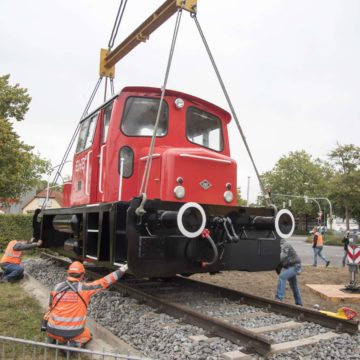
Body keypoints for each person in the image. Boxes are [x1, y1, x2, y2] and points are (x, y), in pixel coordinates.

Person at [44, 261, 128, 347]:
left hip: (52, 330)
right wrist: (125, 267)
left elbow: (50, 307)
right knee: (87, 335)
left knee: (55, 322)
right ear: (82, 275)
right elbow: (106, 281)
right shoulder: (85, 289)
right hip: (72, 333)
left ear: (68, 273)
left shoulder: (57, 287)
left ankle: (52, 339)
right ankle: (72, 345)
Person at [275, 239, 303, 306]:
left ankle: (279, 298)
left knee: (282, 277)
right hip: (290, 266)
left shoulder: (285, 244)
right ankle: (299, 303)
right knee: (294, 286)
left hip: (295, 266)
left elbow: (283, 256)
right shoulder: (279, 246)